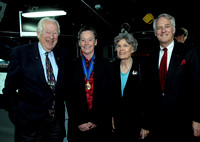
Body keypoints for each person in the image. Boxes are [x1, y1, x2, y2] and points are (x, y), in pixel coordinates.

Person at [2, 17, 70, 142]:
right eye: (47, 32)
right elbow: (9, 89)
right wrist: (17, 114)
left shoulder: (63, 55)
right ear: (38, 33)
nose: (51, 36)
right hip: (29, 126)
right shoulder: (21, 53)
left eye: (55, 32)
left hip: (55, 126)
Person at [147, 13, 200, 142]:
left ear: (174, 30)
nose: (163, 30)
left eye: (167, 26)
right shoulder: (151, 56)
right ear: (155, 32)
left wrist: (197, 119)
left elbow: (197, 86)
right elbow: (148, 92)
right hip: (157, 123)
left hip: (182, 121)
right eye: (159, 28)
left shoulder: (189, 51)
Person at [67, 26, 114, 142]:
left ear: (96, 42)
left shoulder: (106, 65)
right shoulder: (71, 66)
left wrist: (97, 121)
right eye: (83, 40)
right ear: (78, 43)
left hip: (100, 126)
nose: (86, 43)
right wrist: (78, 122)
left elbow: (110, 95)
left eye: (90, 39)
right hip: (78, 127)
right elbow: (69, 97)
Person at [111, 33, 150, 142]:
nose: (121, 49)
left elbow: (149, 98)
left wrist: (146, 125)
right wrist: (111, 116)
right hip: (117, 123)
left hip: (136, 123)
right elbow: (108, 96)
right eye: (119, 46)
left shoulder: (142, 67)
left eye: (125, 45)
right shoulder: (112, 67)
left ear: (132, 48)